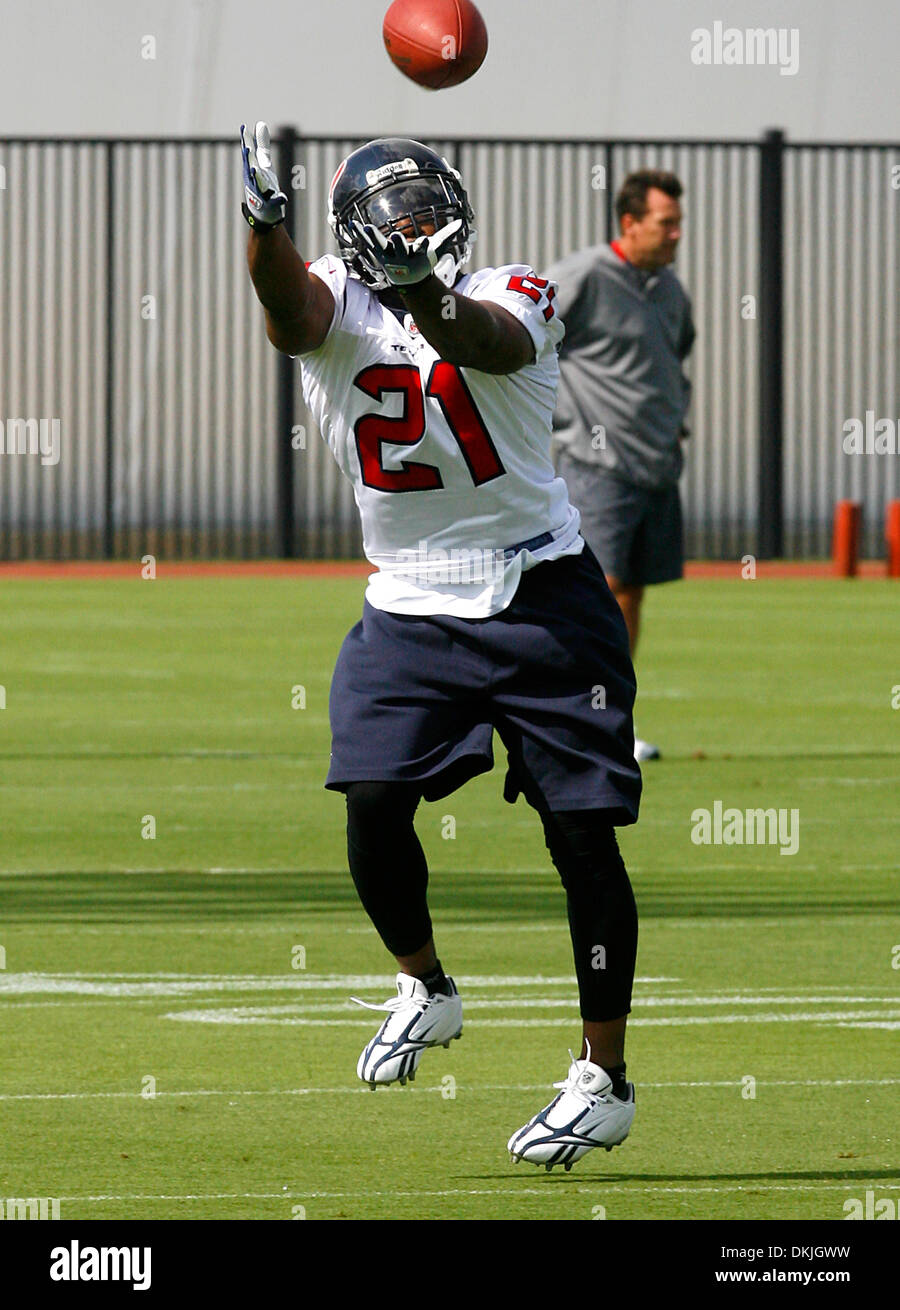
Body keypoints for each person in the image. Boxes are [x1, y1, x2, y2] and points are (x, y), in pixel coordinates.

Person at [241, 122, 642, 1169]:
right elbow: (287, 314)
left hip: (544, 593)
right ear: (356, 231)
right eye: (394, 214)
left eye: (427, 207)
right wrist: (261, 227)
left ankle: (603, 1076)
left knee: (583, 838)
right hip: (411, 603)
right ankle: (426, 983)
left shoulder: (519, 290)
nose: (414, 226)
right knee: (371, 800)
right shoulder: (330, 292)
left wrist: (421, 288)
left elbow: (483, 343)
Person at [547, 170, 695, 761]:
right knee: (598, 595)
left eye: (679, 223)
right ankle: (574, 722)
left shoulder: (670, 288)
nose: (677, 234)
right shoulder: (583, 275)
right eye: (667, 223)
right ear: (629, 223)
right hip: (595, 462)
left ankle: (610, 721)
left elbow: (674, 356)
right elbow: (527, 334)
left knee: (629, 597)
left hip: (656, 466)